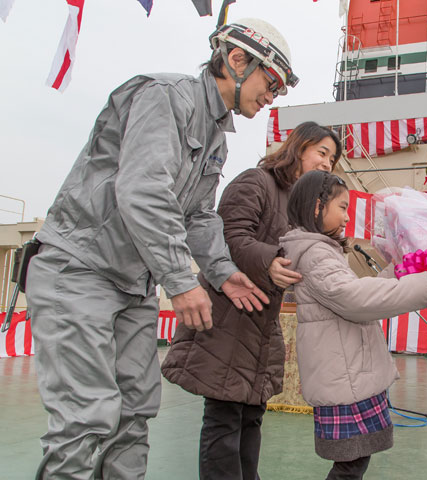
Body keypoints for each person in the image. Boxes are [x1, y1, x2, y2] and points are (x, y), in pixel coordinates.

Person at [25, 18, 297, 480]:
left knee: (134, 412)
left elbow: (199, 214)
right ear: (236, 60)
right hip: (79, 271)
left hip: (132, 285)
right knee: (86, 417)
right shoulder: (165, 97)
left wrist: (220, 270)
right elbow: (143, 190)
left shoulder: (214, 134)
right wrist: (180, 278)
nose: (272, 96)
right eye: (270, 82)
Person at [161, 122, 343, 480]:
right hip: (230, 314)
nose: (327, 164)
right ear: (298, 146)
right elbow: (227, 236)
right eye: (321, 153)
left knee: (251, 416)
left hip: (261, 321)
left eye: (332, 159)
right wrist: (271, 259)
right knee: (224, 418)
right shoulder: (256, 182)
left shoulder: (298, 208)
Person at [279, 171, 427, 480]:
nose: (346, 217)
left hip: (346, 371)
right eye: (342, 207)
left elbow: (353, 291)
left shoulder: (320, 250)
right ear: (317, 206)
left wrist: (400, 272)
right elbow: (354, 299)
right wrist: (421, 283)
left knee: (354, 461)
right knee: (350, 464)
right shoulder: (316, 253)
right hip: (343, 375)